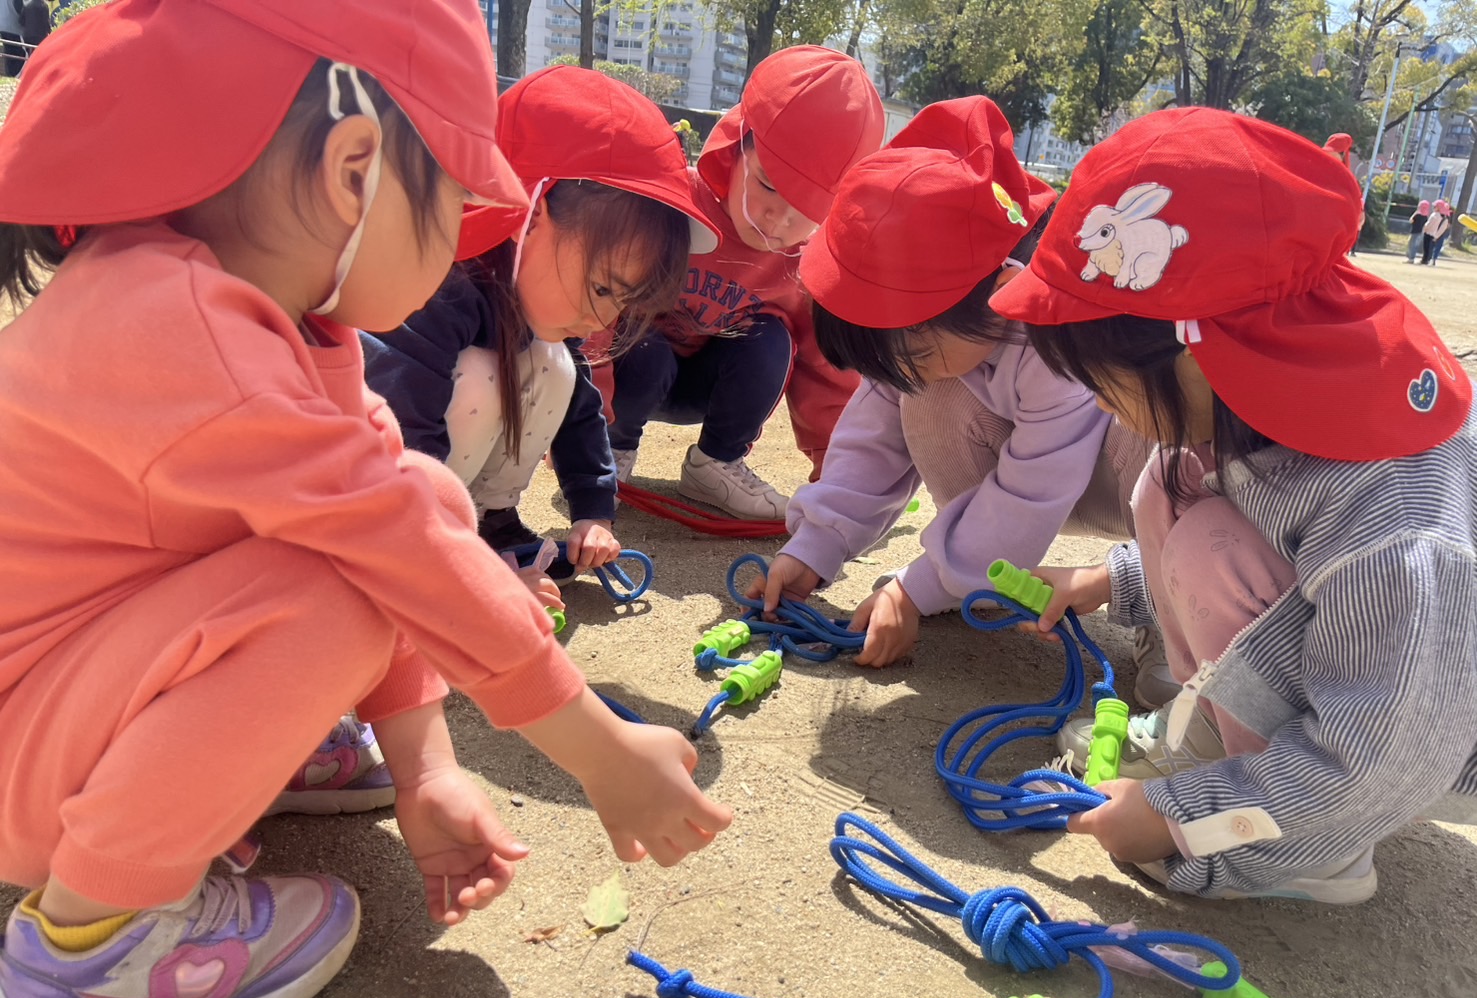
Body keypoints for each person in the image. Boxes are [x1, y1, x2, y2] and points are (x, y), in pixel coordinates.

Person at [0, 0, 730, 998]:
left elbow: (404, 502)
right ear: (354, 170)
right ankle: (87, 944)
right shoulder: (168, 319)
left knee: (411, 498)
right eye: (454, 208)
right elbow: (383, 549)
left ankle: (247, 753)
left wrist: (424, 766)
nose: (462, 245)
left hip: (81, 701)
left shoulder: (278, 323)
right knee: (351, 576)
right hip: (29, 750)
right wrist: (597, 748)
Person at [989, 107, 1476, 904]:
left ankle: (1311, 847)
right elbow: (1275, 537)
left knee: (1203, 535)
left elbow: (1396, 751)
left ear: (1195, 353)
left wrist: (1188, 821)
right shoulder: (1271, 397)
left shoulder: (1393, 517)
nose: (1099, 404)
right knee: (1170, 483)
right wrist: (1114, 580)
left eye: (1102, 380)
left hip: (1425, 732)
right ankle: (1222, 733)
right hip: (1403, 692)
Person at [748, 97, 1166, 693]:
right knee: (926, 394)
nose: (902, 371)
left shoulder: (1052, 334)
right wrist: (815, 547)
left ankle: (1167, 602)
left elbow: (1032, 490)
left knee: (1168, 443)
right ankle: (971, 570)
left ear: (1004, 291)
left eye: (916, 353)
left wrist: (914, 589)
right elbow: (872, 441)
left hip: (1122, 472)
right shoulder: (919, 334)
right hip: (1040, 466)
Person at [364, 65, 721, 575]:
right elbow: (398, 434)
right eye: (602, 288)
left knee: (557, 366)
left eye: (624, 301)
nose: (603, 317)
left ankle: (492, 522)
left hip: (441, 508)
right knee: (485, 374)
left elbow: (580, 412)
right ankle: (455, 534)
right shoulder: (440, 287)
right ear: (530, 216)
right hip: (385, 505)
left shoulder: (538, 302)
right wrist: (452, 567)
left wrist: (594, 512)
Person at [602, 45, 885, 519]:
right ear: (736, 147)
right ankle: (610, 449)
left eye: (808, 210)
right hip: (634, 373)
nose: (778, 220)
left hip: (710, 385)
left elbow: (826, 368)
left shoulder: (805, 261)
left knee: (772, 340)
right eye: (769, 185)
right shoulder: (671, 206)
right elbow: (597, 305)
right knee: (646, 348)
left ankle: (717, 462)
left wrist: (838, 480)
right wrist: (583, 430)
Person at [1423, 199, 1452, 265]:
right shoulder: (1436, 214)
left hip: (1438, 233)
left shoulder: (1444, 217)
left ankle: (1433, 259)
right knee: (1430, 247)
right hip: (1432, 233)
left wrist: (1436, 236)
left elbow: (1442, 228)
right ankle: (1428, 259)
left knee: (1437, 246)